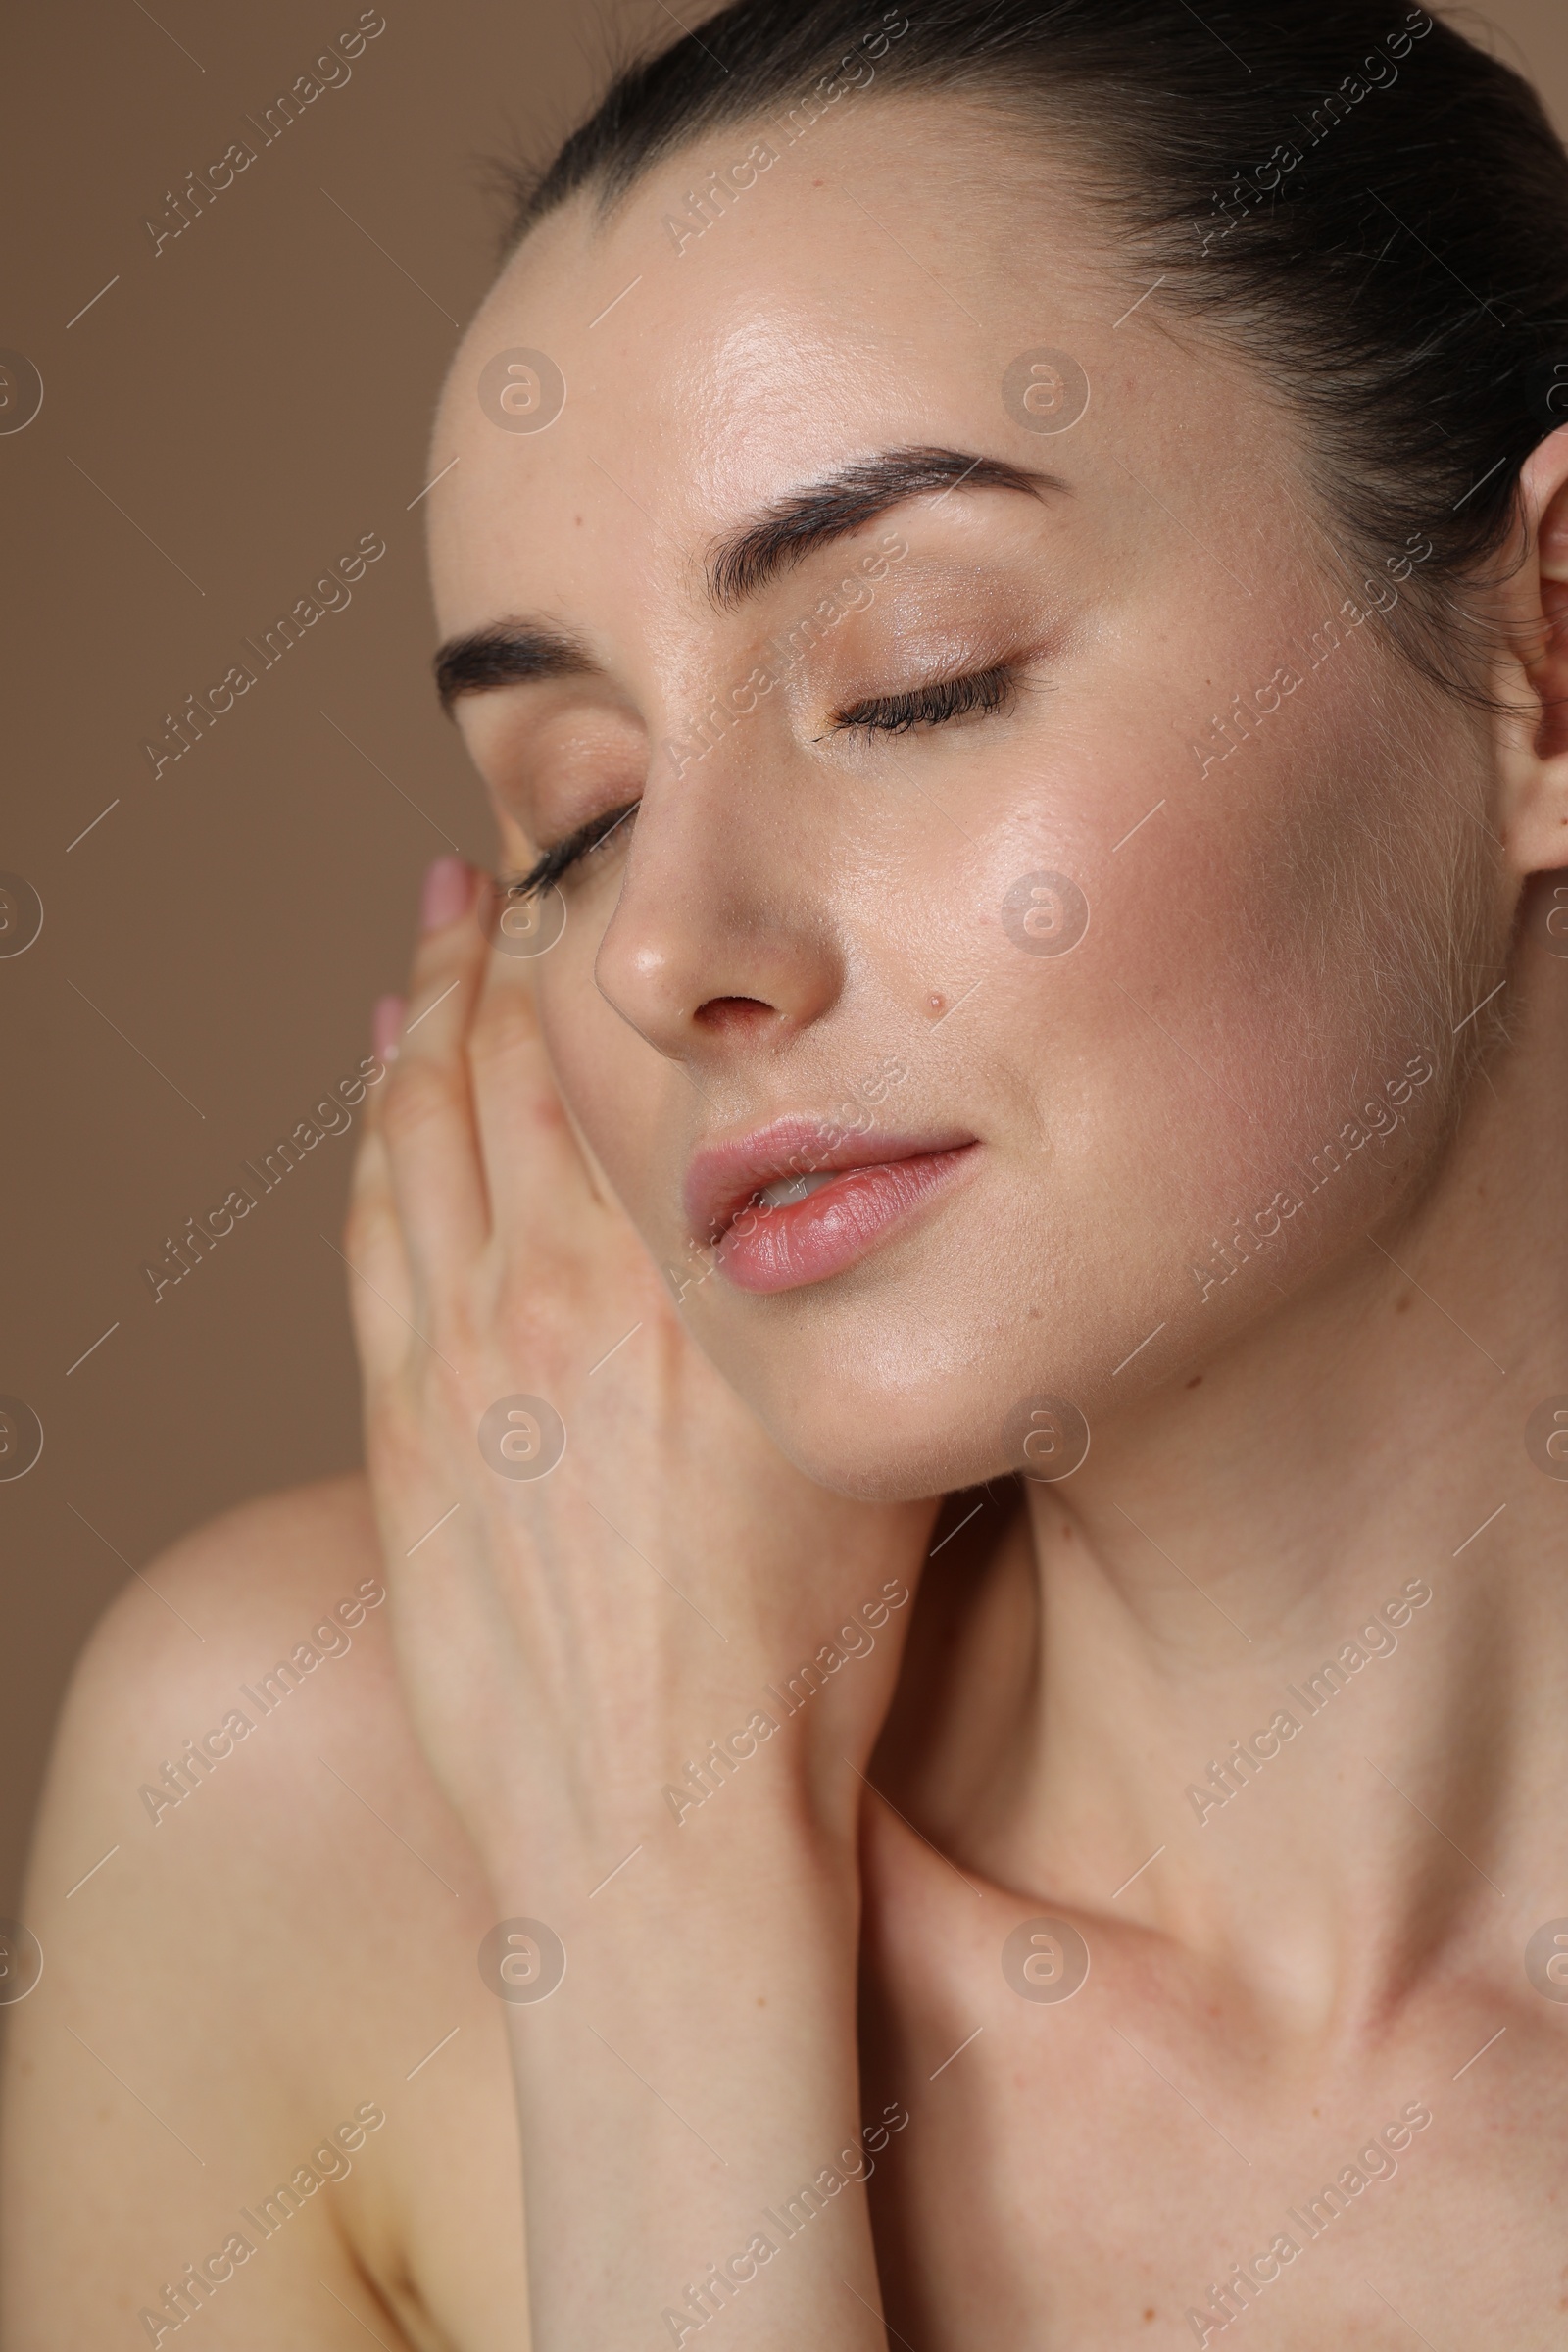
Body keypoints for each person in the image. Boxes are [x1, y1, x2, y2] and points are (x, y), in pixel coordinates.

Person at [7, 1, 1568, 2342]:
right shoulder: (298, 1825)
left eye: (909, 678)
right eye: (570, 810)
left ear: (1539, 655)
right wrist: (646, 1920)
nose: (654, 948)